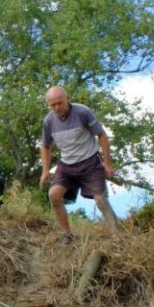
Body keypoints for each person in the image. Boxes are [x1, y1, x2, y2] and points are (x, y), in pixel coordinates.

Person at [40, 86, 118, 245]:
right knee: (53, 195)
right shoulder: (49, 120)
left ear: (67, 98)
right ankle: (66, 234)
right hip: (67, 165)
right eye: (52, 105)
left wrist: (107, 163)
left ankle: (118, 236)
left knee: (100, 200)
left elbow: (101, 135)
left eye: (59, 103)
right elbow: (45, 146)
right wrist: (45, 170)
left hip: (90, 161)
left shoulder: (82, 112)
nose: (56, 108)